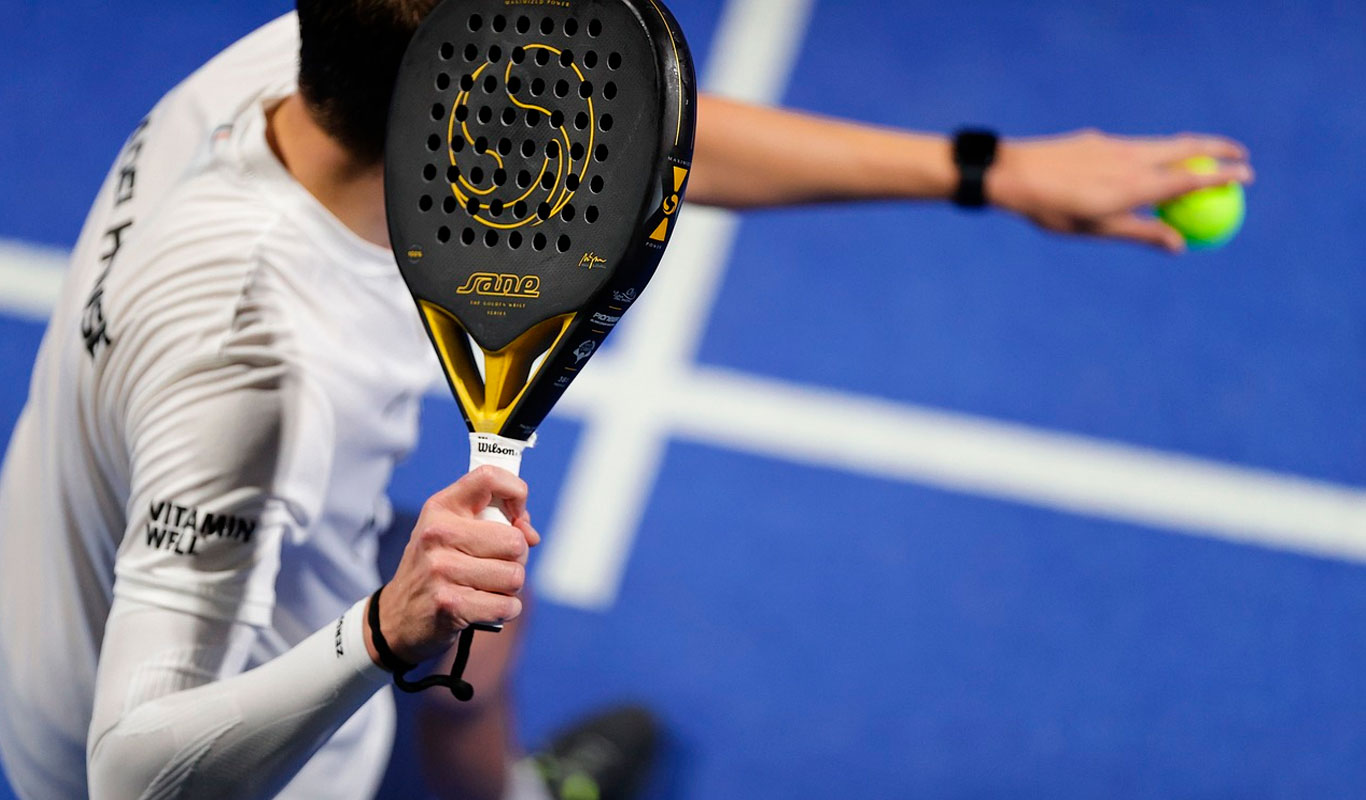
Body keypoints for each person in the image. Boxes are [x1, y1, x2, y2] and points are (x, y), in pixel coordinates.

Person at [0, 2, 1253, 799]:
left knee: (489, 615)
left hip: (79, 580)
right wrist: (383, 626)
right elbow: (133, 772)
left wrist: (985, 168)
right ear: (466, 109)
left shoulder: (304, 58)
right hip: (150, 748)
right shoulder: (268, 374)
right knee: (443, 607)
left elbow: (638, 126)